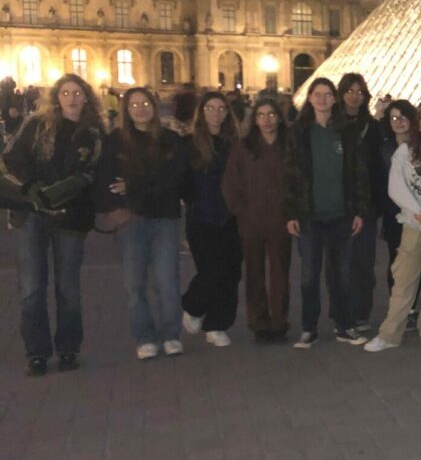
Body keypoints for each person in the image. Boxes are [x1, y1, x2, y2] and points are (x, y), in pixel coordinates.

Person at [1, 74, 104, 375]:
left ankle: (69, 348)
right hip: (31, 213)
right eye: (66, 92)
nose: (71, 98)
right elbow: (11, 158)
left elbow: (96, 171)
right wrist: (32, 188)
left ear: (86, 97)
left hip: (70, 216)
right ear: (56, 97)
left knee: (68, 286)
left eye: (77, 93)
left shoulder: (94, 133)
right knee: (32, 287)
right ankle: (36, 353)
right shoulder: (36, 124)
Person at [97, 87, 189, 360]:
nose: (141, 108)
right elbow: (105, 179)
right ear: (126, 110)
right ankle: (145, 336)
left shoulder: (171, 140)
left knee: (167, 280)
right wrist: (113, 205)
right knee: (134, 282)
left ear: (154, 105)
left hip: (165, 217)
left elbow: (173, 178)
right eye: (134, 104)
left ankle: (171, 334)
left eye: (145, 102)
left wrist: (133, 186)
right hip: (131, 218)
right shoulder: (115, 141)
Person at [284, 77, 371, 348]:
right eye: (317, 94)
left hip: (341, 215)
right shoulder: (298, 132)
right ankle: (309, 327)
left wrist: (358, 210)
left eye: (327, 94)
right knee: (309, 275)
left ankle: (343, 325)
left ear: (334, 99)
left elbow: (358, 173)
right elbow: (289, 176)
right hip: (310, 216)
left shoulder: (347, 132)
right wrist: (291, 213)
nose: (322, 99)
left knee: (341, 275)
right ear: (309, 99)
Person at [364, 106, 421, 351]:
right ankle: (389, 333)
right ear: (418, 125)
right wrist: (418, 211)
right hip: (414, 223)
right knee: (405, 279)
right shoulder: (404, 152)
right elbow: (395, 186)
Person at [222, 98, 292, 343]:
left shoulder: (289, 145)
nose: (267, 120)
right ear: (254, 120)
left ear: (279, 117)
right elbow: (231, 183)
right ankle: (259, 322)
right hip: (252, 220)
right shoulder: (244, 147)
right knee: (254, 274)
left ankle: (279, 322)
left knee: (280, 274)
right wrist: (241, 211)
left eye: (271, 114)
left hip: (281, 219)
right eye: (261, 115)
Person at [180, 92, 242, 347]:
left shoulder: (235, 143)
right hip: (201, 216)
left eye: (220, 109)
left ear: (227, 113)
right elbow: (181, 177)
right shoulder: (189, 143)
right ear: (201, 112)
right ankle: (193, 306)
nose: (216, 113)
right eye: (210, 108)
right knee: (210, 270)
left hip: (231, 215)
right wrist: (190, 199)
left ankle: (217, 325)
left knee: (231, 273)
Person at [337, 73, 389, 332]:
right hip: (337, 202)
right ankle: (343, 313)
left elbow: (378, 166)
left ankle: (360, 313)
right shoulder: (331, 124)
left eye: (359, 91)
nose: (354, 95)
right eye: (350, 91)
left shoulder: (372, 126)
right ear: (342, 93)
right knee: (340, 262)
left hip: (366, 202)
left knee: (364, 263)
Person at [379, 100, 416, 284]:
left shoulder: (420, 147)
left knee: (417, 263)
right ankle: (397, 306)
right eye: (393, 117)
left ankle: (412, 306)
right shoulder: (384, 149)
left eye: (403, 117)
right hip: (394, 214)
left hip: (418, 213)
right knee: (396, 261)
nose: (398, 121)